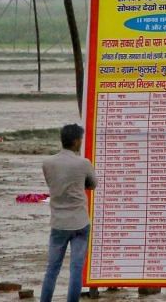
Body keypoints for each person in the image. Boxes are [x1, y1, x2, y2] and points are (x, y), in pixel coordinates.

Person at [40, 124, 97, 302]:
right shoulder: (83, 163)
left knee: (52, 269)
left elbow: (53, 184)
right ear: (75, 141)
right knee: (76, 268)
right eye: (80, 138)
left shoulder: (48, 163)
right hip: (80, 222)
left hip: (58, 222)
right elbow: (93, 184)